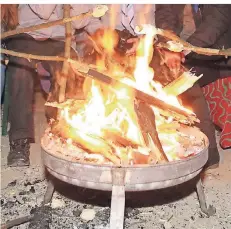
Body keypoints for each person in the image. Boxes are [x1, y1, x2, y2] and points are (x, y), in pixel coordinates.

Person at [3, 4, 102, 167]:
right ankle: (19, 141)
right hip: (27, 34)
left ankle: (64, 133)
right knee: (20, 69)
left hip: (59, 39)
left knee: (69, 69)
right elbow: (44, 10)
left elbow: (79, 23)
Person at [155, 4, 231, 170]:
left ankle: (209, 155)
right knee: (157, 69)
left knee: (185, 79)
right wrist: (170, 43)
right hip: (185, 52)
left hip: (217, 57)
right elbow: (164, 13)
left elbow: (215, 25)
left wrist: (181, 51)